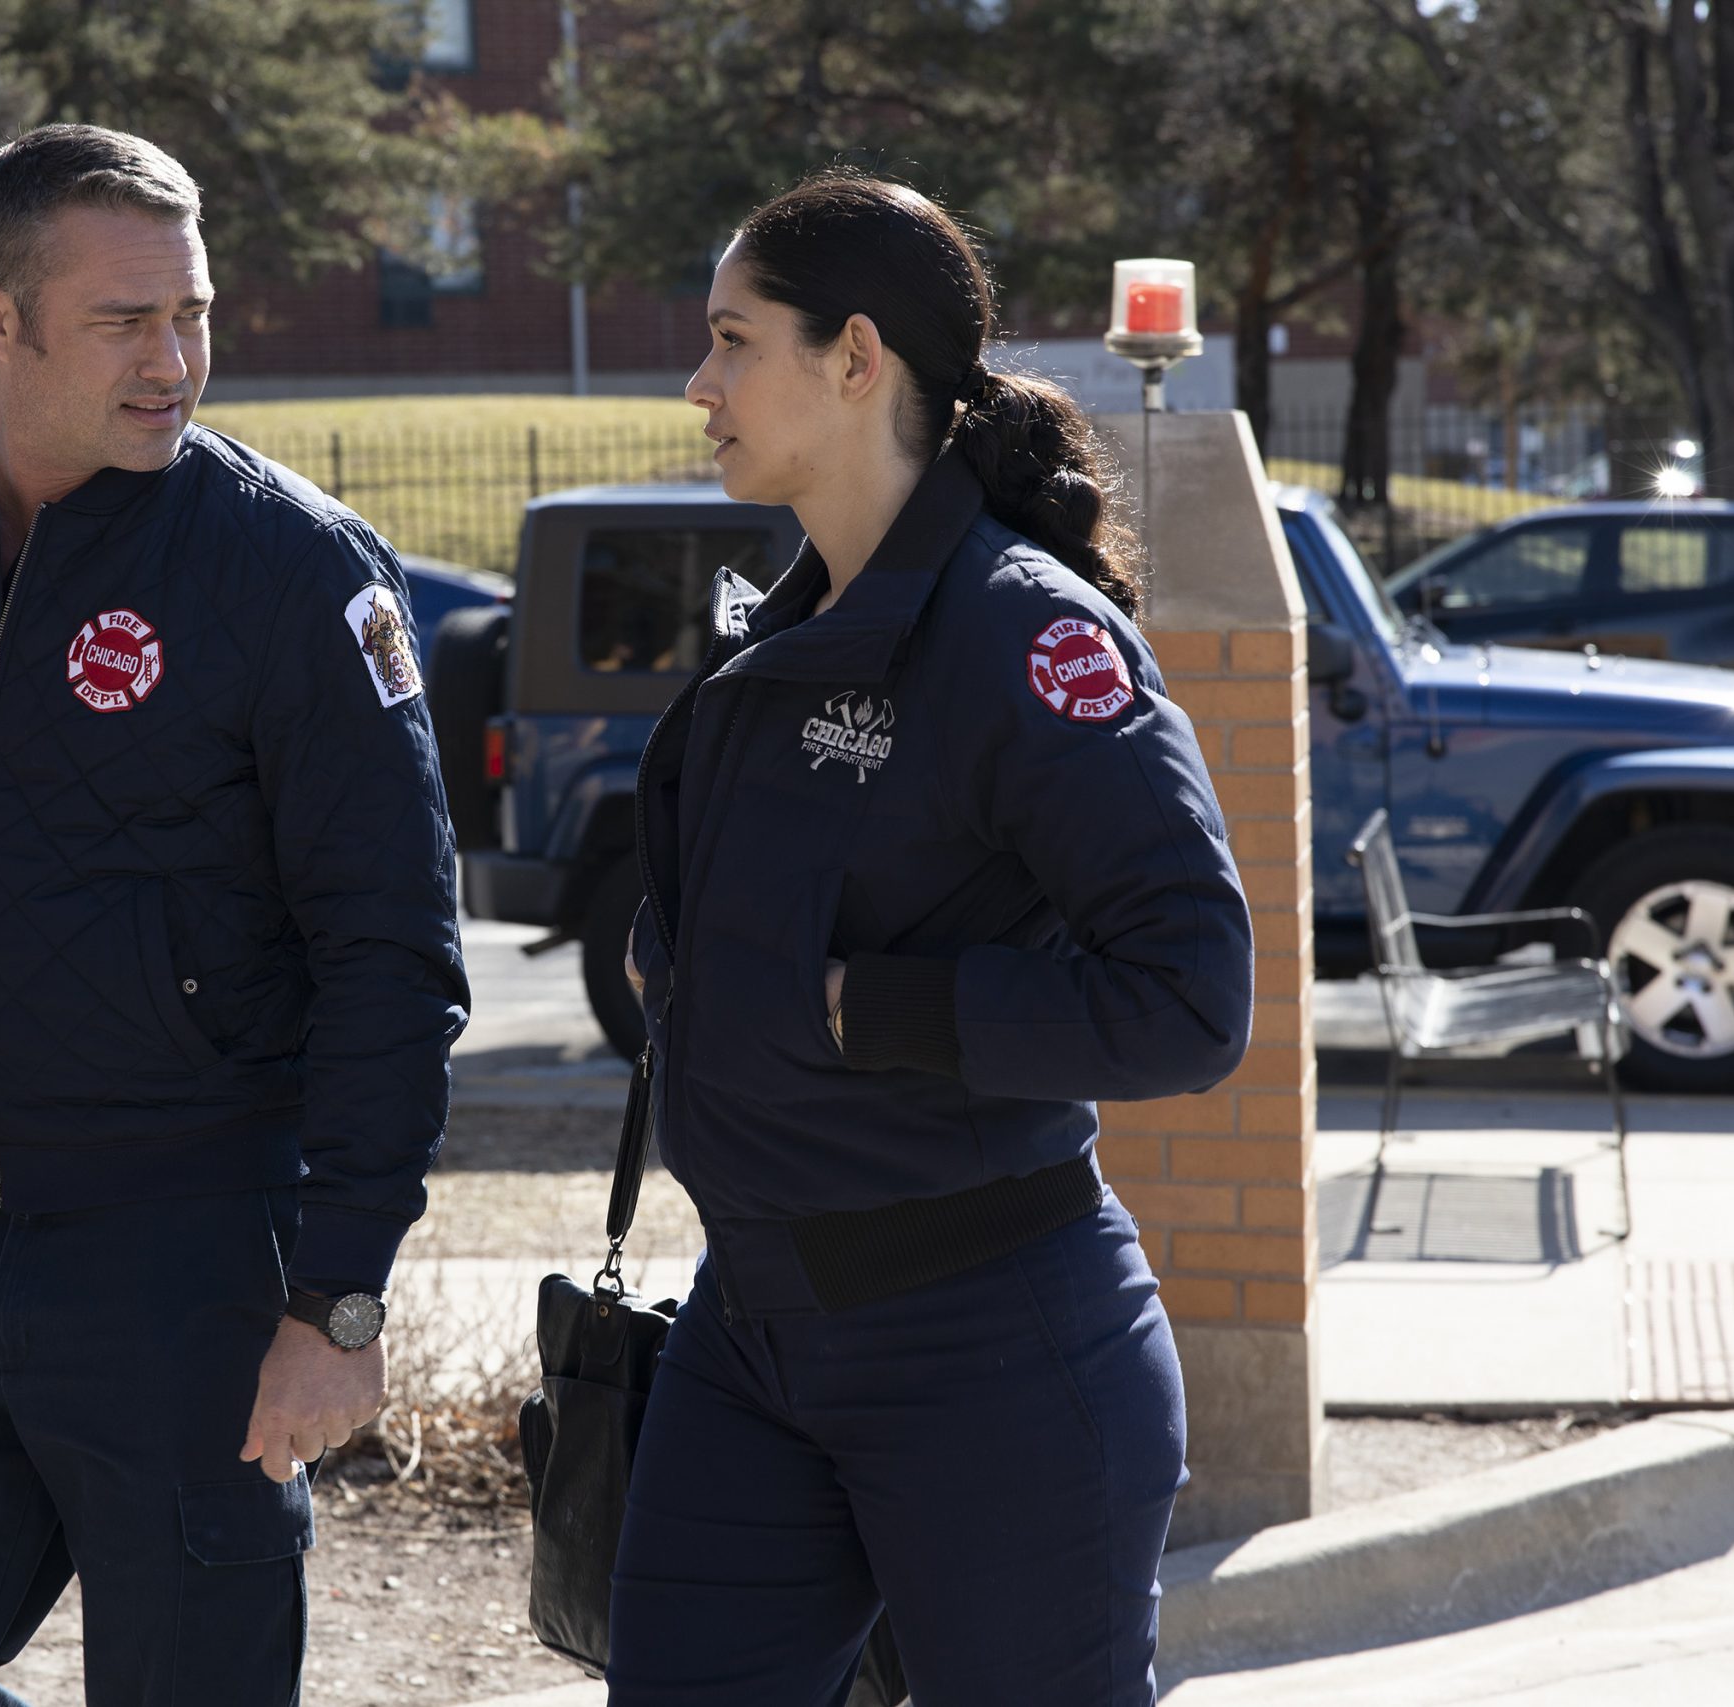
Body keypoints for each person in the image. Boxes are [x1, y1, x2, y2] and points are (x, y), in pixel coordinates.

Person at [0, 124, 468, 1706]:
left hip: (193, 1253)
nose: (177, 359)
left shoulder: (293, 567)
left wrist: (339, 1297)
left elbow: (396, 953)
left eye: (194, 313)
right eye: (127, 321)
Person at [610, 174, 1254, 1706]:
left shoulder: (1024, 635)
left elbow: (1190, 994)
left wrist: (864, 1009)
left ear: (856, 360)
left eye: (730, 339)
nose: (698, 384)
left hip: (993, 1350)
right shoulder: (787, 624)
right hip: (751, 1322)